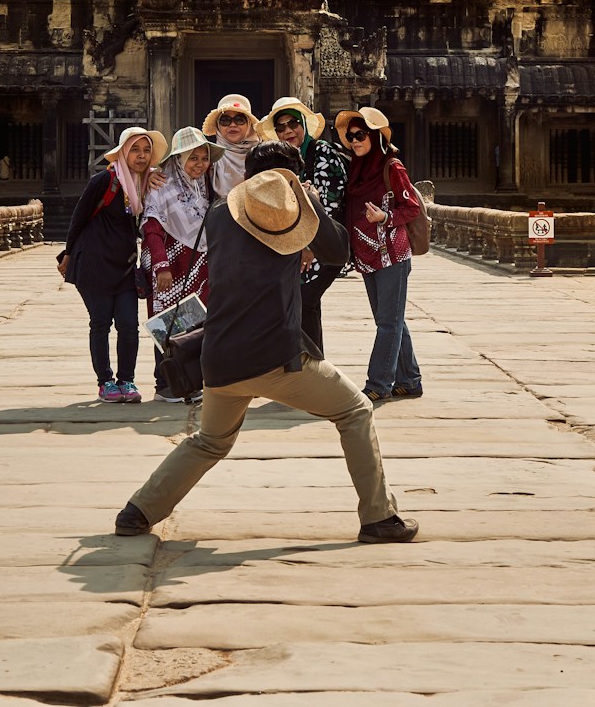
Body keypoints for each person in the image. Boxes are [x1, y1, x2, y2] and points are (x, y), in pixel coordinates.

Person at [112, 140, 418, 545]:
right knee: (356, 410)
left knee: (210, 441)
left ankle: (137, 512)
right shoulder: (291, 210)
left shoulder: (220, 213)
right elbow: (337, 251)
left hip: (219, 356)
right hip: (276, 356)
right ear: (292, 179)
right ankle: (379, 517)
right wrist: (311, 204)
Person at [58, 126, 168, 404]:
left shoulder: (145, 185)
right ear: (122, 153)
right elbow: (79, 218)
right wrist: (68, 254)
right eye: (135, 150)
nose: (141, 156)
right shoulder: (104, 181)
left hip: (125, 265)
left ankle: (127, 380)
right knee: (101, 324)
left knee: (129, 325)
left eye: (146, 151)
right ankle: (106, 382)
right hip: (94, 263)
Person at [336, 106, 424, 403]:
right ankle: (410, 380)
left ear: (375, 136)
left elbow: (411, 207)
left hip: (392, 255)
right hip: (366, 254)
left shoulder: (392, 167)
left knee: (388, 321)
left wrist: (385, 218)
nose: (355, 141)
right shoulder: (356, 169)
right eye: (350, 136)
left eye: (360, 135)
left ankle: (379, 383)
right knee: (390, 319)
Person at [260, 95, 349, 352]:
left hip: (323, 245)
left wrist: (311, 246)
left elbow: (330, 205)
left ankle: (313, 366)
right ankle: (307, 366)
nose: (288, 131)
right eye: (281, 127)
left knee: (306, 301)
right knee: (302, 304)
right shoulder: (286, 160)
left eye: (293, 124)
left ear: (304, 125)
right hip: (298, 247)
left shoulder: (322, 153)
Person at [141, 125, 222, 401]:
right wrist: (161, 265)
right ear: (178, 160)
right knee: (167, 325)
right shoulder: (162, 187)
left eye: (203, 158)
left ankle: (190, 382)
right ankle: (164, 385)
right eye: (192, 158)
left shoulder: (206, 188)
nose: (199, 164)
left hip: (200, 266)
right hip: (171, 267)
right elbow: (151, 228)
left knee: (196, 327)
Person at [202, 94, 259, 199]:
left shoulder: (263, 155)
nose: (232, 125)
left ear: (249, 124)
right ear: (218, 126)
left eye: (239, 119)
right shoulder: (207, 157)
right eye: (225, 120)